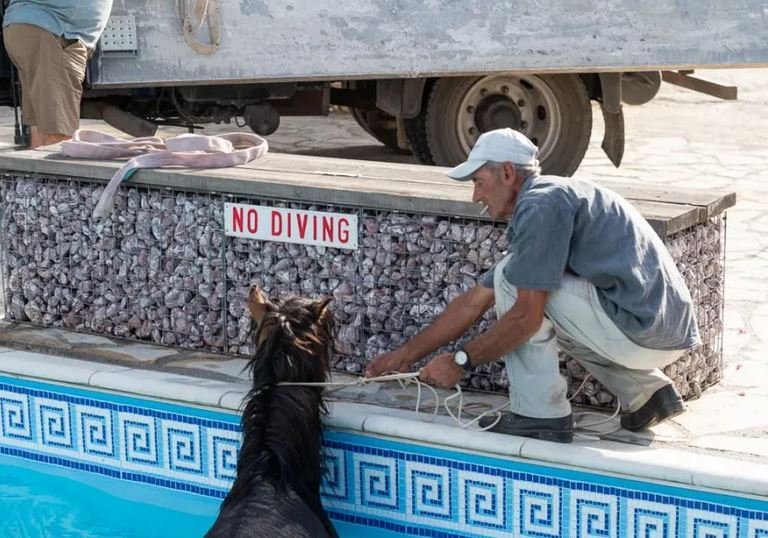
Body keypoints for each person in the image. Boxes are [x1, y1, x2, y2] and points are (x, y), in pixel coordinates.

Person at [365, 128, 701, 444]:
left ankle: (539, 415)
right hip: (663, 331)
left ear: (507, 172)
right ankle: (648, 393)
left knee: (516, 286)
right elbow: (472, 303)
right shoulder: (553, 198)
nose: (475, 196)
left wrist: (460, 362)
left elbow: (525, 317)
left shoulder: (541, 206)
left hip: (642, 330)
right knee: (521, 282)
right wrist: (404, 356)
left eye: (479, 182)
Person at [2, 0, 114, 148]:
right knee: (58, 133)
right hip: (53, 29)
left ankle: (39, 161)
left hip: (36, 26)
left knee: (41, 128)